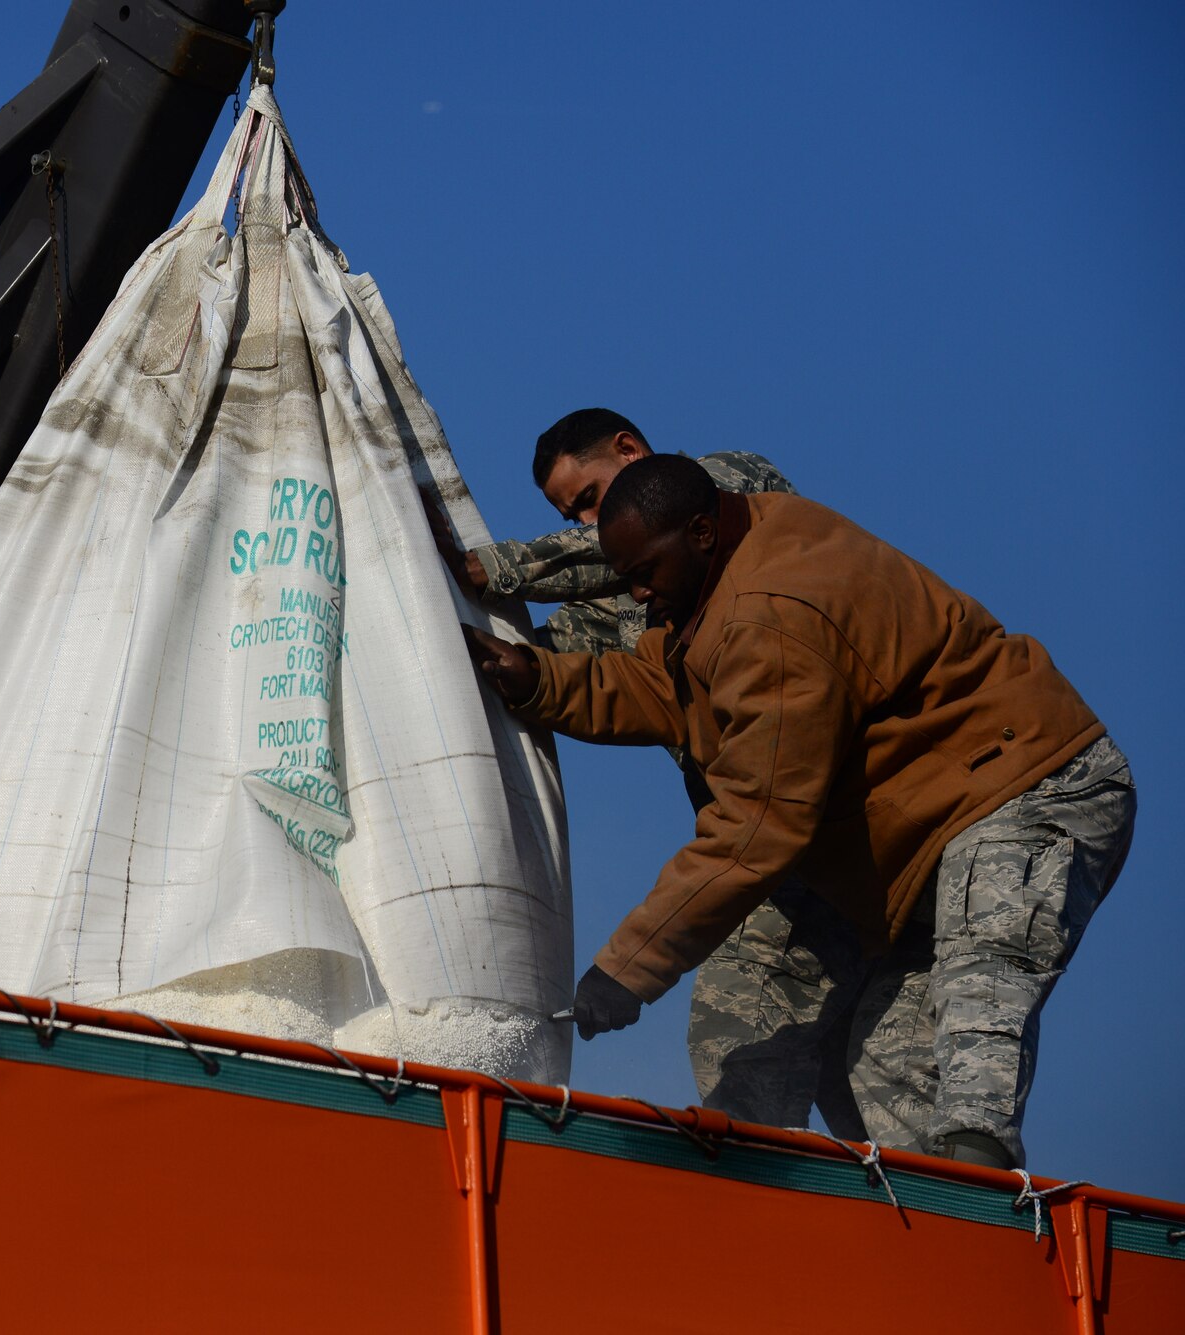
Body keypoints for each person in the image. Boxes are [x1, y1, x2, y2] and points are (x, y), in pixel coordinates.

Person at [461, 454, 1134, 1167]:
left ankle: (973, 1186)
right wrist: (539, 680)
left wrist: (626, 969)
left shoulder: (771, 615)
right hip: (926, 844)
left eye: (643, 573)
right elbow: (662, 685)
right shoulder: (726, 567)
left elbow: (757, 828)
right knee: (882, 1064)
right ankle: (929, 1229)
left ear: (699, 531)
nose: (634, 594)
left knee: (978, 992)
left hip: (1027, 786)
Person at [430, 409, 865, 1137]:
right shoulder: (638, 605)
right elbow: (547, 664)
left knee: (741, 1035)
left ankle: (750, 1210)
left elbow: (596, 555)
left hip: (810, 826)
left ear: (630, 450)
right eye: (577, 515)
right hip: (786, 854)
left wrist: (489, 566)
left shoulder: (732, 492)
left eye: (591, 500)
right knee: (848, 1078)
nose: (595, 526)